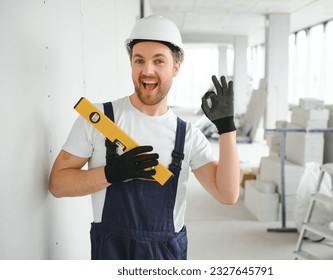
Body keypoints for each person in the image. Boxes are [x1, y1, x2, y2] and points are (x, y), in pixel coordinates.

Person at [49, 15, 240, 260]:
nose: (147, 71)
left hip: (164, 256)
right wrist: (110, 174)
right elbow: (58, 184)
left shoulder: (188, 136)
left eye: (158, 61)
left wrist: (227, 128)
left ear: (176, 67)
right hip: (111, 254)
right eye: (139, 60)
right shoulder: (98, 119)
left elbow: (228, 194)